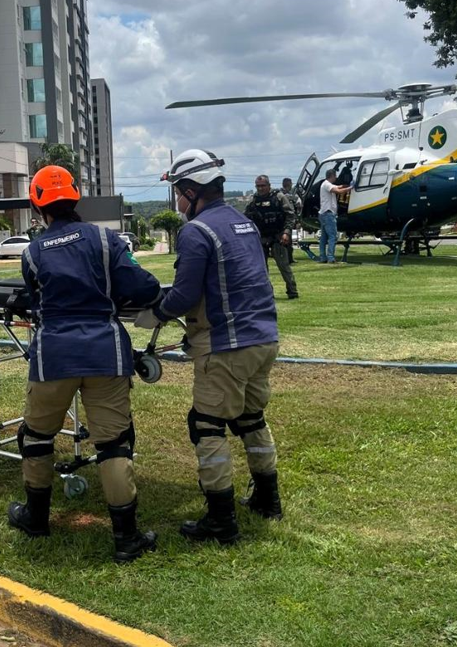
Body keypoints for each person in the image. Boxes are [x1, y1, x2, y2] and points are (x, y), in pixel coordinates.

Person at [7, 165, 163, 563]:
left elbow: (35, 298)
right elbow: (142, 286)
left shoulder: (32, 253)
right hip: (104, 352)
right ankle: (126, 538)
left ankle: (36, 519)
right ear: (75, 198)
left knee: (37, 437)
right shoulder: (106, 240)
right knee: (114, 443)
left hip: (53, 355)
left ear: (37, 205)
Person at [135, 149, 283, 545]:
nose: (179, 204)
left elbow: (183, 294)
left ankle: (221, 520)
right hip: (264, 339)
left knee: (206, 425)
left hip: (227, 347)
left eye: (179, 195)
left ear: (190, 190)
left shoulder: (196, 232)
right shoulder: (245, 224)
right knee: (251, 418)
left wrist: (156, 315)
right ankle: (269, 500)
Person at [244, 175, 299, 299]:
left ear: (269, 186)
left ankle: (292, 291)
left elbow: (290, 215)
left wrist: (287, 232)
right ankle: (268, 293)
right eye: (258, 186)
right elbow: (246, 217)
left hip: (278, 236)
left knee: (283, 265)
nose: (261, 188)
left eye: (263, 186)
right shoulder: (254, 200)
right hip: (261, 238)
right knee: (262, 268)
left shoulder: (279, 197)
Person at [318, 169, 352, 263]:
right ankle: (331, 258)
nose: (336, 177)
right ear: (332, 176)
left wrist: (344, 185)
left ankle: (322, 257)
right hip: (328, 214)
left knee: (324, 238)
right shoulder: (327, 184)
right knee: (333, 236)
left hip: (323, 213)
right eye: (335, 176)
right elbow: (337, 191)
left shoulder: (325, 184)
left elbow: (338, 186)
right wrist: (350, 188)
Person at [281, 178, 302, 264]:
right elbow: (299, 205)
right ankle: (288, 259)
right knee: (287, 242)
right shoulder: (290, 195)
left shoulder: (279, 194)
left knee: (287, 242)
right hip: (286, 221)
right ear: (289, 184)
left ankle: (288, 259)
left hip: (284, 221)